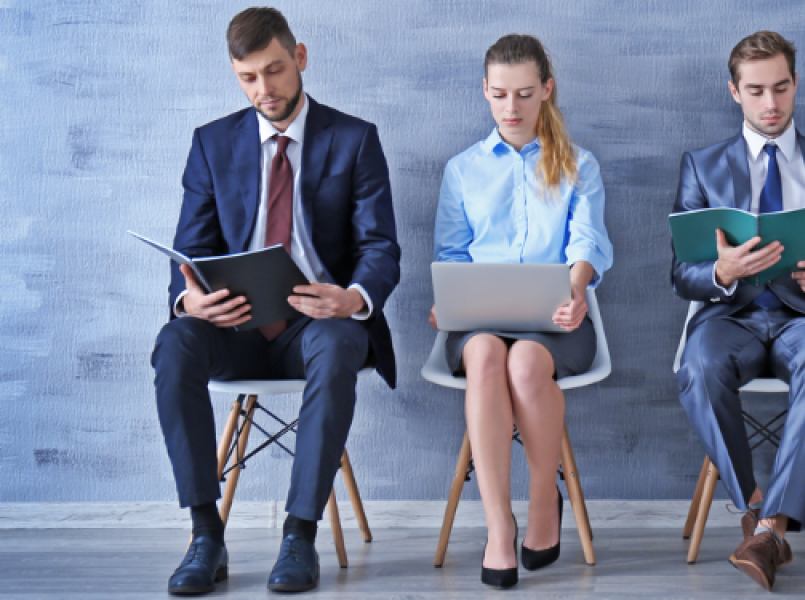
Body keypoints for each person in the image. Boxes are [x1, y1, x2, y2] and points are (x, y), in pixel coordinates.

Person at [151, 8, 400, 595]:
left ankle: (299, 534)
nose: (265, 89)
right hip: (235, 328)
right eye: (248, 78)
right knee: (173, 342)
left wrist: (353, 297)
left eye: (275, 70)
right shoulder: (212, 144)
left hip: (317, 325)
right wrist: (190, 300)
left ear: (301, 58)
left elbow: (380, 247)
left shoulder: (354, 138)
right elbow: (189, 248)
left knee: (342, 343)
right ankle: (205, 536)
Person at [672, 31, 805, 591]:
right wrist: (721, 273)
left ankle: (766, 529)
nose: (772, 104)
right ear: (734, 93)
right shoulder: (701, 166)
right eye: (757, 90)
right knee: (697, 366)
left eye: (782, 88)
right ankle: (761, 508)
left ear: (796, 85)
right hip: (731, 318)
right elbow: (680, 275)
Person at [430, 34, 612, 589]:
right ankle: (498, 527)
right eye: (501, 94)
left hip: (556, 322)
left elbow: (588, 244)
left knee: (526, 364)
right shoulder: (462, 169)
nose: (512, 108)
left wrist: (577, 289)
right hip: (479, 323)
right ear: (485, 91)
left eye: (526, 94)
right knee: (486, 353)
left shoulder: (580, 163)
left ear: (546, 91)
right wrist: (448, 303)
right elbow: (451, 253)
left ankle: (541, 505)